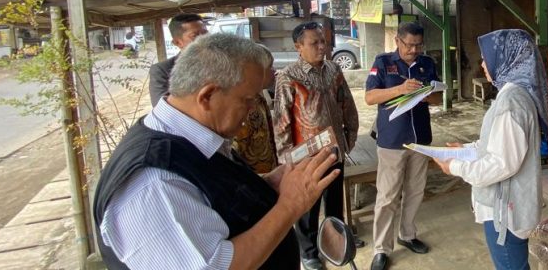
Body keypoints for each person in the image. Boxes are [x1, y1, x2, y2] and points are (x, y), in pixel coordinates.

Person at [93, 33, 342, 270]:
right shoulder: (153, 183)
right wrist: (290, 205)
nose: (253, 109)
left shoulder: (191, 136)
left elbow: (210, 197)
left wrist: (264, 186)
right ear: (208, 95)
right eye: (247, 99)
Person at [434, 29, 547, 270]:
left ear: (508, 59)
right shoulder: (515, 94)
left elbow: (502, 163)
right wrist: (465, 149)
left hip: (506, 212)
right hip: (508, 207)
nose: (483, 63)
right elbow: (498, 144)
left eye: (488, 57)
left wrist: (455, 166)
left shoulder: (512, 102)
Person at [273, 21, 360, 270]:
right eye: (315, 42)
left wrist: (348, 139)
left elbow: (348, 105)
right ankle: (309, 252)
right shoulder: (289, 76)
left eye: (324, 41)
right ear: (299, 47)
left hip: (335, 152)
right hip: (306, 156)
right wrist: (287, 159)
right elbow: (281, 121)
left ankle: (336, 244)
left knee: (334, 203)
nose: (322, 46)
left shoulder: (333, 70)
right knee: (307, 208)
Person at [364, 22, 439, 270]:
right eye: (409, 45)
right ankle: (381, 249)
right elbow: (369, 97)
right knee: (387, 196)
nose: (414, 50)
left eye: (418, 45)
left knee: (415, 191)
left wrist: (430, 95)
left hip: (420, 139)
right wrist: (399, 89)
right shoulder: (384, 62)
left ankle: (407, 235)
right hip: (392, 141)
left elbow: (438, 95)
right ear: (398, 41)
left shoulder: (427, 63)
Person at [231, 45, 279, 174]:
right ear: (257, 71)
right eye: (270, 67)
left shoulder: (258, 97)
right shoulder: (243, 107)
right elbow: (235, 155)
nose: (274, 71)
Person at [149, 13, 209, 106]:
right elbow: (162, 108)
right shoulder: (162, 70)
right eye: (195, 35)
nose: (205, 39)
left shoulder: (223, 62)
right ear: (177, 42)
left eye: (205, 33)